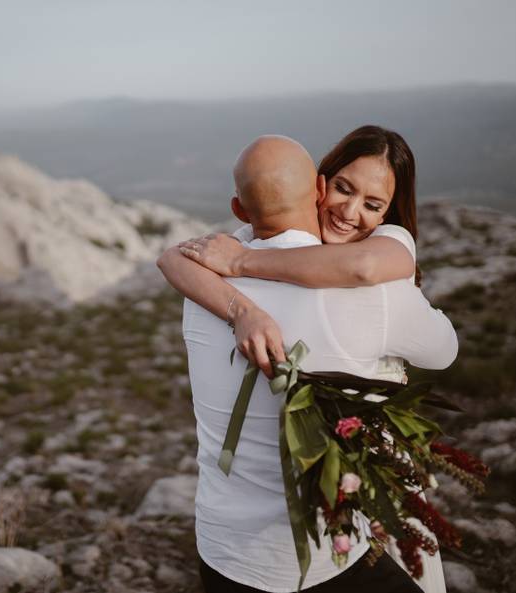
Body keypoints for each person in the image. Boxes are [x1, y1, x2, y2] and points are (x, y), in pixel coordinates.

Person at [157, 134, 458, 592]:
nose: (351, 212)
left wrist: (241, 291)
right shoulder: (377, 296)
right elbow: (443, 349)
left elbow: (173, 256)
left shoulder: (207, 281)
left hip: (221, 554)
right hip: (318, 563)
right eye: (342, 189)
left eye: (373, 205)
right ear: (319, 188)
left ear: (240, 210)